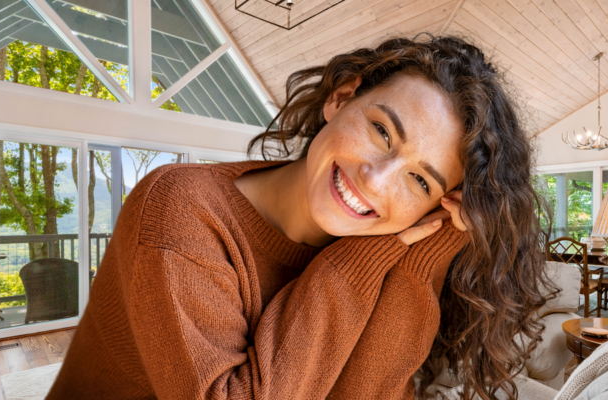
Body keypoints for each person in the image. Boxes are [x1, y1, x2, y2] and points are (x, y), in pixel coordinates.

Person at [47, 35, 551, 400]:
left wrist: (428, 251)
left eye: (421, 181)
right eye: (381, 131)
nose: (375, 181)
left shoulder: (388, 244)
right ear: (341, 98)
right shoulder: (182, 210)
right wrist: (361, 259)